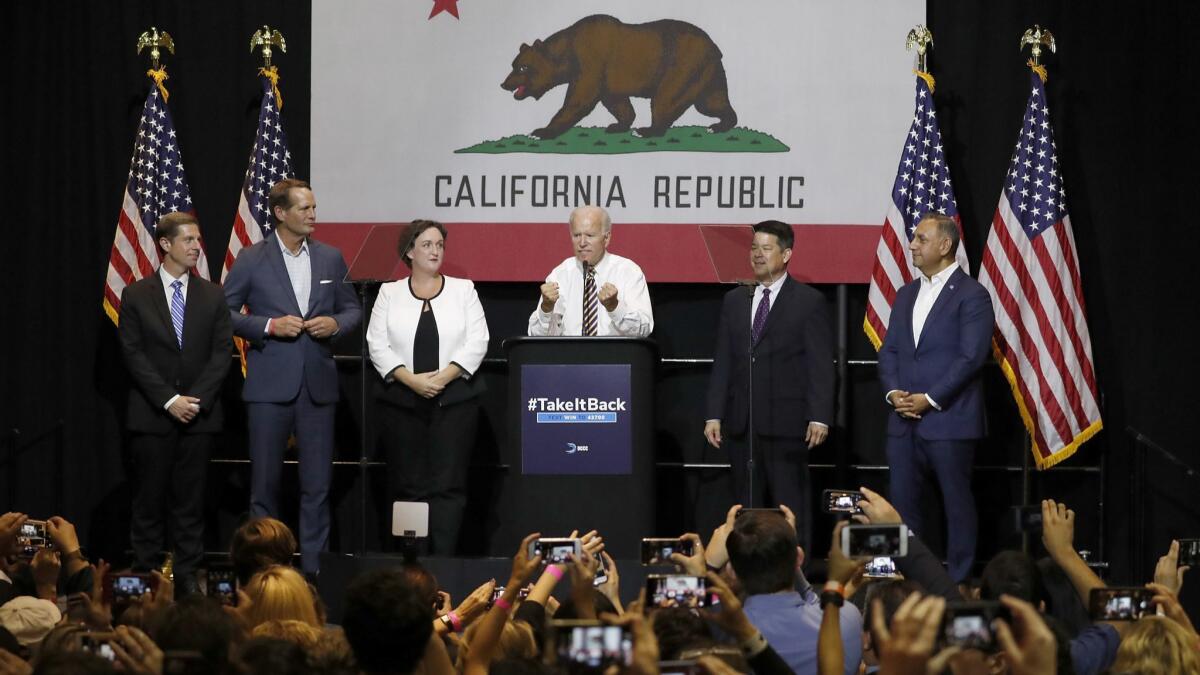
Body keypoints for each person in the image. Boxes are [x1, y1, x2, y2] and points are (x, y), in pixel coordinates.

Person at [223, 178, 362, 576]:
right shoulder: (252, 258)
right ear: (281, 213)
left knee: (316, 489)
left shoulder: (331, 258)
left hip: (317, 388)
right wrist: (267, 327)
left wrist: (333, 323)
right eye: (305, 208)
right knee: (264, 488)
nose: (313, 215)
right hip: (269, 387)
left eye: (314, 207)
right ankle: (262, 572)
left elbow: (351, 309)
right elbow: (226, 313)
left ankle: (315, 577)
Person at [117, 211, 233, 595]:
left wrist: (193, 400)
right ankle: (143, 580)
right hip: (153, 416)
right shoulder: (136, 294)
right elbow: (132, 354)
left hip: (199, 417)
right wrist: (169, 400)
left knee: (191, 504)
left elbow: (221, 354)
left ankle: (186, 578)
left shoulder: (213, 295)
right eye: (188, 241)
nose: (196, 247)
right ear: (166, 245)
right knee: (148, 503)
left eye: (198, 241)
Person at [877, 211, 994, 583]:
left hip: (949, 419)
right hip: (902, 421)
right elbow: (890, 350)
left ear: (945, 246)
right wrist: (894, 392)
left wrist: (930, 398)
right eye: (913, 238)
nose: (912, 245)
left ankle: (956, 582)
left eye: (921, 239)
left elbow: (971, 356)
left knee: (956, 506)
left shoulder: (973, 295)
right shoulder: (906, 293)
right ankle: (910, 580)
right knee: (903, 508)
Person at [704, 220, 834, 551]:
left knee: (791, 506)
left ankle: (796, 576)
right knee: (746, 509)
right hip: (742, 423)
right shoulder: (735, 300)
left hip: (787, 424)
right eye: (753, 248)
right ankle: (747, 575)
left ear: (787, 254)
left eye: (766, 248)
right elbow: (723, 361)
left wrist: (819, 415)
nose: (757, 255)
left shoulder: (808, 301)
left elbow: (820, 364)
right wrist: (714, 413)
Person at [366, 220, 489, 554]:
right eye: (427, 245)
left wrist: (442, 378)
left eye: (440, 245)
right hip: (401, 404)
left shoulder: (464, 290)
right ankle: (413, 562)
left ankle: (443, 561)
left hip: (455, 403)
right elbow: (376, 343)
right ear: (409, 251)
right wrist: (411, 380)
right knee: (408, 486)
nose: (435, 251)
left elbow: (478, 340)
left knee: (448, 486)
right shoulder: (389, 293)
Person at [526, 206, 653, 337]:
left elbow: (644, 329)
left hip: (615, 355)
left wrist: (615, 307)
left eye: (589, 235)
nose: (582, 243)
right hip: (569, 356)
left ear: (606, 238)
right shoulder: (560, 275)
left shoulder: (628, 272)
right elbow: (536, 336)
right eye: (576, 235)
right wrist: (546, 309)